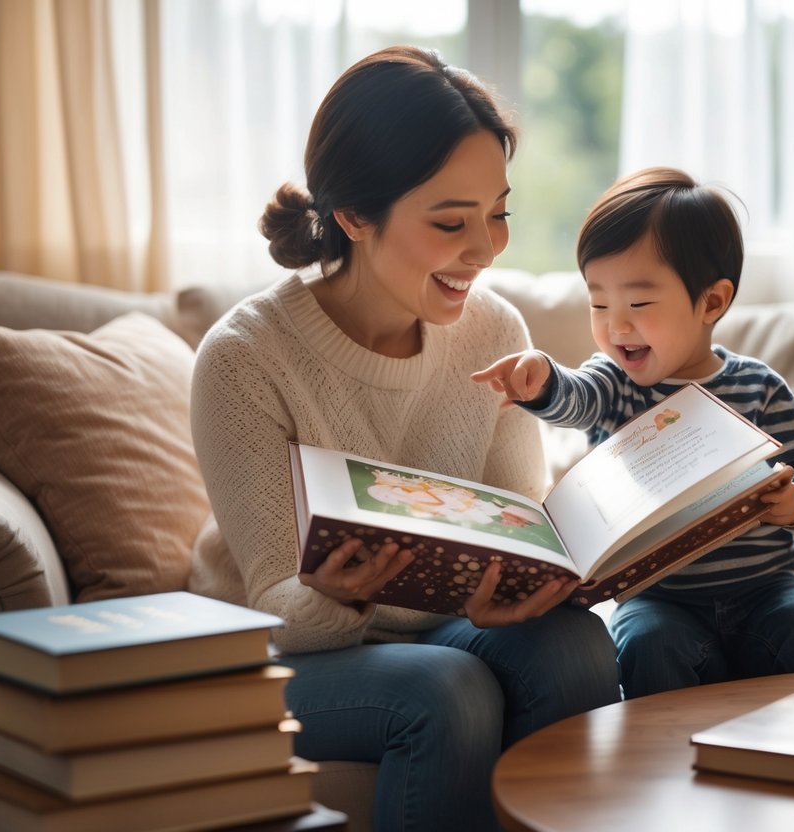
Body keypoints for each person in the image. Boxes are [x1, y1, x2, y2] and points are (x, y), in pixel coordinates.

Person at [187, 46, 620, 831]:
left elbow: (512, 517)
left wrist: (522, 584)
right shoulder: (245, 357)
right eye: (451, 222)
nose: (486, 249)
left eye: (499, 214)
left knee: (576, 647)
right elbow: (272, 605)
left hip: (443, 628)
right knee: (442, 691)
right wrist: (337, 592)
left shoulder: (494, 328)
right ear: (353, 216)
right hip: (281, 646)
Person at [472, 166, 794, 699]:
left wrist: (792, 502)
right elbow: (576, 398)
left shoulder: (759, 389)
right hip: (659, 598)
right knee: (645, 640)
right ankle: (662, 772)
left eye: (639, 304)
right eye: (598, 303)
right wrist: (541, 381)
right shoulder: (616, 384)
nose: (615, 325)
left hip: (767, 590)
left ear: (712, 302)